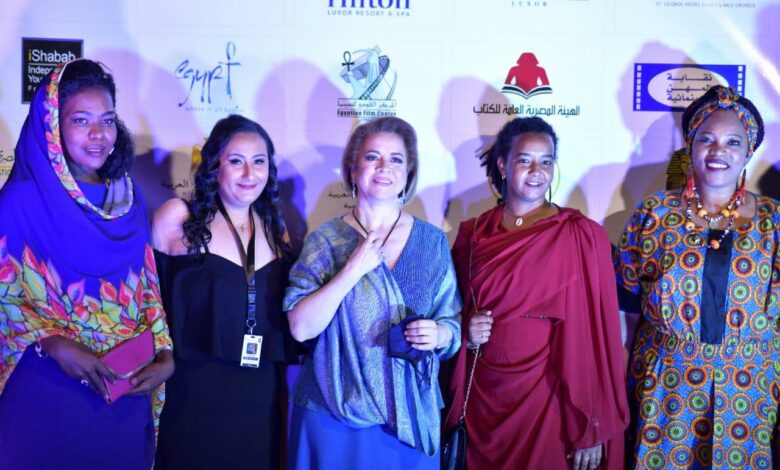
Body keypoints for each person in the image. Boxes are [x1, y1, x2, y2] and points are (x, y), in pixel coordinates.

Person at [0, 59, 174, 470]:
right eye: (81, 120)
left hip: (122, 393)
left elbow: (147, 289)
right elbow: (4, 298)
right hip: (46, 390)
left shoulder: (127, 198)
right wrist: (54, 343)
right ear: (52, 126)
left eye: (107, 119)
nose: (98, 134)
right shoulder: (19, 202)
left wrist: (164, 355)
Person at [446, 116, 629, 470]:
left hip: (551, 393)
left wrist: (591, 422)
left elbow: (598, 335)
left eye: (546, 161)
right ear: (503, 165)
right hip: (486, 395)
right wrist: (466, 329)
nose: (537, 171)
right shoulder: (473, 233)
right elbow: (449, 310)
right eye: (525, 160)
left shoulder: (582, 235)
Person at [284, 116, 461, 469]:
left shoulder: (432, 242)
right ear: (352, 169)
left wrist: (439, 333)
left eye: (396, 159)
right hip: (331, 414)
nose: (384, 167)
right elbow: (301, 328)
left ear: (408, 173)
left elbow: (452, 325)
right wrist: (352, 269)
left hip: (408, 418)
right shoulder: (326, 240)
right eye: (372, 157)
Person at [615, 85, 778, 469]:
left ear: (748, 151)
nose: (718, 151)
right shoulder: (654, 214)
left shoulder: (773, 221)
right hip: (665, 384)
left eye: (732, 142)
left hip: (749, 384)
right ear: (691, 145)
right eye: (707, 139)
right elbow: (628, 310)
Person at [151, 114, 297, 469]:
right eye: (236, 161)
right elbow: (147, 302)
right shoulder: (178, 217)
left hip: (259, 393)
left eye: (259, 162)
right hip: (193, 388)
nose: (249, 174)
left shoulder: (275, 229)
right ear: (214, 165)